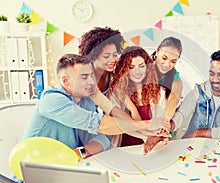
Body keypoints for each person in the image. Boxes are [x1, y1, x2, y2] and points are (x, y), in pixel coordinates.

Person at [22, 54, 166, 159]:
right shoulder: (52, 101)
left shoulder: (85, 100)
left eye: (91, 75)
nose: (91, 81)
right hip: (34, 173)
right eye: (84, 77)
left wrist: (80, 152)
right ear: (65, 81)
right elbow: (102, 125)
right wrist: (147, 124)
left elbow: (103, 138)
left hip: (67, 166)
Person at [171, 50, 220, 139]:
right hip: (195, 147)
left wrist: (198, 133)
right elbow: (182, 113)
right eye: (212, 74)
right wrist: (171, 125)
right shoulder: (199, 90)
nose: (215, 79)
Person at [109, 46, 170, 147]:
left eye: (141, 66)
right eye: (131, 67)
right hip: (123, 148)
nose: (137, 72)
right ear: (124, 70)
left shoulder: (159, 92)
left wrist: (161, 136)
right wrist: (147, 137)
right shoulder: (115, 94)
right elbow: (123, 125)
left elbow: (160, 123)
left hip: (151, 148)